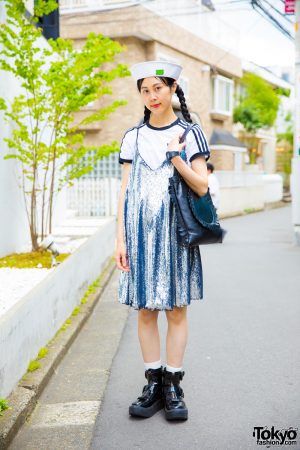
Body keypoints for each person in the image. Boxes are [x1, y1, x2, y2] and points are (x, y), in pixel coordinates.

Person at [115, 61, 210, 421]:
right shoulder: (132, 137)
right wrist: (120, 238)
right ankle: (153, 382)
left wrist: (176, 157)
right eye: (145, 90)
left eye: (159, 88)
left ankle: (173, 383)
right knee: (145, 309)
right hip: (139, 236)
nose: (152, 96)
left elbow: (201, 185)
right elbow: (125, 191)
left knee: (176, 309)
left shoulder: (190, 134)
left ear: (173, 88)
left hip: (178, 235)